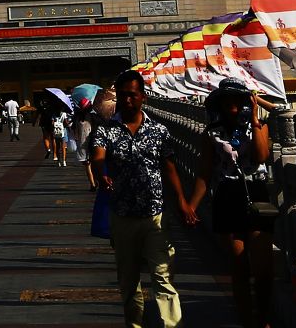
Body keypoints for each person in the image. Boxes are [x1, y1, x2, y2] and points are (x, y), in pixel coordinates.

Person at [86, 70, 184, 328]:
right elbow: (97, 156)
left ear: (143, 97)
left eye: (132, 95)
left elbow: (170, 167)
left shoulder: (158, 130)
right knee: (128, 281)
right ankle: (135, 324)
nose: (128, 100)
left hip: (155, 214)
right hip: (123, 215)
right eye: (123, 95)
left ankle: (171, 324)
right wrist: (101, 173)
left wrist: (183, 202)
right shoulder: (106, 130)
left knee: (162, 276)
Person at [178, 79, 275, 328]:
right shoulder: (212, 134)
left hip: (256, 192)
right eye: (227, 104)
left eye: (237, 103)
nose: (232, 109)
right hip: (228, 195)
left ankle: (264, 318)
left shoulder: (259, 127)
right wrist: (191, 206)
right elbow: (205, 173)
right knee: (239, 266)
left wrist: (254, 119)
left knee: (263, 269)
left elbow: (261, 156)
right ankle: (246, 321)